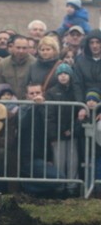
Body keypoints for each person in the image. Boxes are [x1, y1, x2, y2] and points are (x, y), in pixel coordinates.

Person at [18, 83, 65, 196]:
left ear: (42, 94)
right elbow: (22, 125)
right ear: (26, 95)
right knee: (59, 178)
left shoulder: (47, 108)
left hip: (43, 156)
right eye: (32, 93)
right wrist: (35, 106)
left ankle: (30, 188)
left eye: (37, 93)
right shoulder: (23, 109)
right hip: (27, 158)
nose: (35, 96)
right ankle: (25, 187)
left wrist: (49, 157)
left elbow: (48, 134)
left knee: (59, 180)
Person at [45, 63, 79, 196]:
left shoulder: (75, 91)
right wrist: (54, 134)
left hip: (72, 133)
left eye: (65, 73)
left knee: (73, 161)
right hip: (58, 134)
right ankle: (59, 187)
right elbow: (50, 115)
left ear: (70, 75)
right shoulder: (51, 92)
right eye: (60, 74)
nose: (63, 76)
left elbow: (78, 113)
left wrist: (72, 129)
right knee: (59, 161)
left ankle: (72, 187)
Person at [0, 35, 35, 99]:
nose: (21, 51)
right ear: (12, 47)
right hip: (8, 103)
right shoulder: (3, 64)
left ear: (28, 48)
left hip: (29, 104)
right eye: (18, 48)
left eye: (24, 48)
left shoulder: (34, 63)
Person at [73, 29, 101, 119]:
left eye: (97, 42)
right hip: (86, 106)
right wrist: (82, 107)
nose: (95, 46)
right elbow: (77, 85)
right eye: (91, 43)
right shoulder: (80, 62)